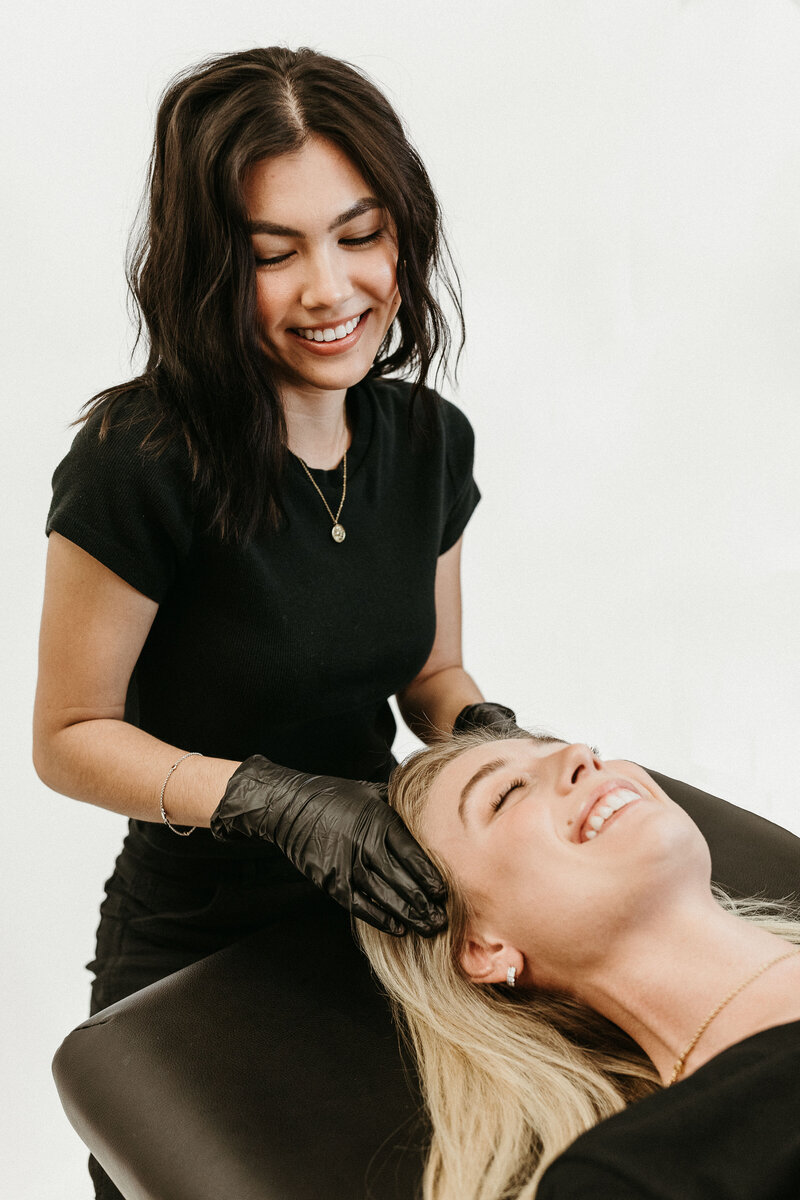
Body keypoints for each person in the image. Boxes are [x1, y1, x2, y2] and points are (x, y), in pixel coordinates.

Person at [34, 46, 520, 1199]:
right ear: (208, 267)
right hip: (193, 944)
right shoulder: (135, 462)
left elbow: (432, 668)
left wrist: (488, 739)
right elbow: (67, 735)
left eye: (360, 235)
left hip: (386, 916)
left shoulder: (424, 443)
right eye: (272, 253)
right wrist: (274, 801)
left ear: (403, 235)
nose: (329, 289)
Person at [358, 728, 800, 1199]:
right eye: (507, 793)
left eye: (593, 752)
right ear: (483, 950)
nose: (578, 756)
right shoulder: (633, 1177)